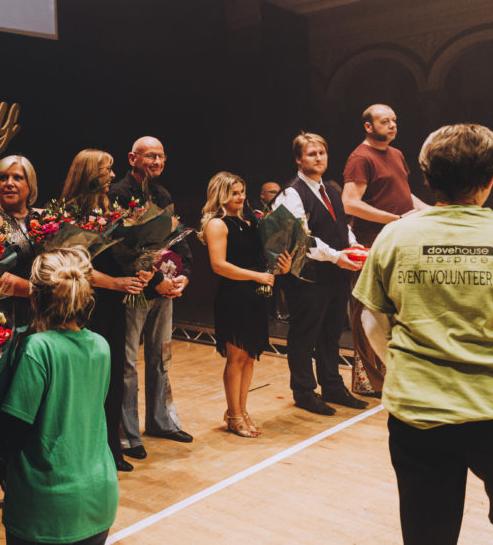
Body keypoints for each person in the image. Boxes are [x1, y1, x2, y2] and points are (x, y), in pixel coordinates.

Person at [353, 123, 493, 544]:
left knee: (427, 535)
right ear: (491, 178)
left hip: (419, 413)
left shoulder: (396, 236)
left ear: (426, 177)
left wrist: (399, 368)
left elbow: (371, 320)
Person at [0, 247, 118, 545]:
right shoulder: (101, 345)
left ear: (34, 297)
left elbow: (13, 431)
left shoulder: (38, 348)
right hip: (99, 496)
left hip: (48, 506)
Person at [60, 149, 148, 471]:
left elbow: (122, 255)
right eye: (106, 170)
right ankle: (86, 452)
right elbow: (75, 266)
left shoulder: (111, 209)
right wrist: (116, 283)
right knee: (88, 383)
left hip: (113, 303)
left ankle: (112, 448)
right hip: (84, 305)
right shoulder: (69, 214)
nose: (112, 176)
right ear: (88, 173)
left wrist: (142, 267)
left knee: (111, 380)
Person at [107, 136, 193, 459]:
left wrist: (185, 274)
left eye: (161, 157)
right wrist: (155, 279)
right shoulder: (118, 194)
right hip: (135, 285)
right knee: (128, 362)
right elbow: (122, 247)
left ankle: (160, 421)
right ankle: (128, 435)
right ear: (132, 158)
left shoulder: (163, 194)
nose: (156, 162)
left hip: (163, 287)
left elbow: (175, 237)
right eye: (149, 156)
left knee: (161, 355)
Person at [272, 133, 368, 416]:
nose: (318, 158)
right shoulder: (291, 193)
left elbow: (341, 225)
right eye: (312, 154)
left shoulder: (331, 190)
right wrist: (336, 256)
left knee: (331, 333)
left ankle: (332, 384)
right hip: (308, 276)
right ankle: (303, 391)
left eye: (322, 153)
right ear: (299, 159)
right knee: (304, 335)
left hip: (336, 274)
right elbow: (299, 239)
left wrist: (352, 245)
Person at [342, 104, 430, 395]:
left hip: (399, 239)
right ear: (368, 126)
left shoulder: (397, 154)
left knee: (398, 311)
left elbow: (405, 195)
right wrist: (395, 219)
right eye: (385, 121)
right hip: (373, 243)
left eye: (394, 120)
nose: (392, 125)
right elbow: (350, 203)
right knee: (371, 311)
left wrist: (430, 212)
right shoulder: (360, 157)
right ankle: (369, 382)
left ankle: (398, 375)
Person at [199, 172, 290, 438]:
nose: (240, 197)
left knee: (250, 355)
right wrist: (256, 276)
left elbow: (263, 258)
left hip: (255, 294)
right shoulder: (217, 224)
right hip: (234, 295)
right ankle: (234, 414)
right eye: (234, 193)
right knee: (236, 357)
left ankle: (241, 411)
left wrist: (279, 266)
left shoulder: (252, 221)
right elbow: (219, 266)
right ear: (220, 195)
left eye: (242, 192)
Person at [0, 155, 42, 328]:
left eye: (17, 177)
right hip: (4, 318)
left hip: (47, 314)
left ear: (30, 185)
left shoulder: (45, 217)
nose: (9, 183)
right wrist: (39, 293)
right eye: (3, 178)